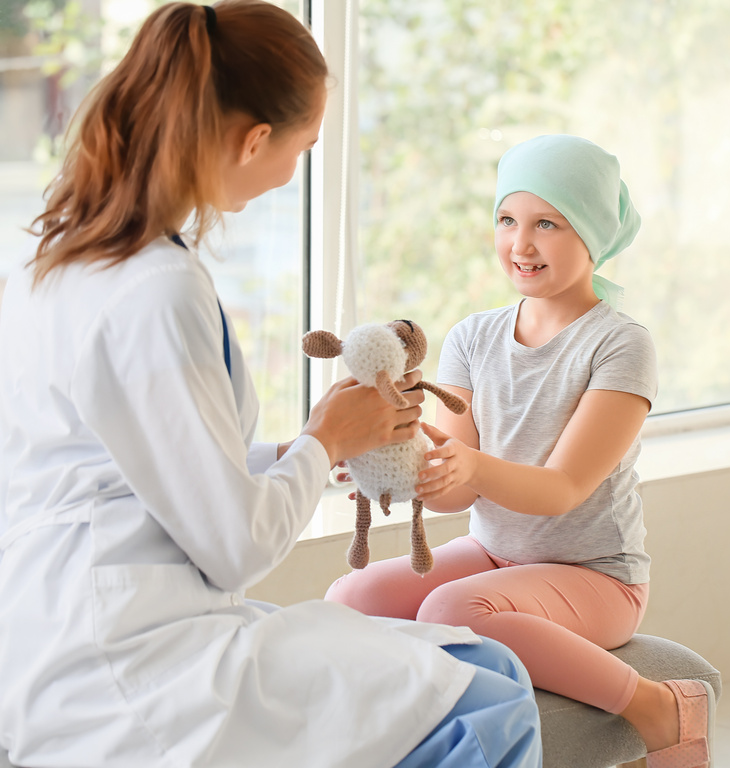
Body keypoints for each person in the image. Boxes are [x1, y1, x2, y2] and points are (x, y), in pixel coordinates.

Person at [0, 2, 542, 766]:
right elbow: (235, 547)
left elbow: (138, 460)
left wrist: (298, 448)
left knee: (475, 666)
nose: (297, 170)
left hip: (53, 630)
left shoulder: (56, 258)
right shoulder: (156, 290)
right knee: (490, 704)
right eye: (305, 147)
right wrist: (324, 444)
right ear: (256, 140)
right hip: (127, 665)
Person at [325, 134, 714, 768]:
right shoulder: (474, 337)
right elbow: (456, 489)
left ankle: (655, 706)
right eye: (507, 220)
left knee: (454, 607)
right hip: (493, 552)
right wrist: (393, 451)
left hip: (596, 576)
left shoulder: (619, 345)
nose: (520, 244)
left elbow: (563, 488)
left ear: (591, 234)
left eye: (547, 224)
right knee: (350, 600)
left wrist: (472, 465)